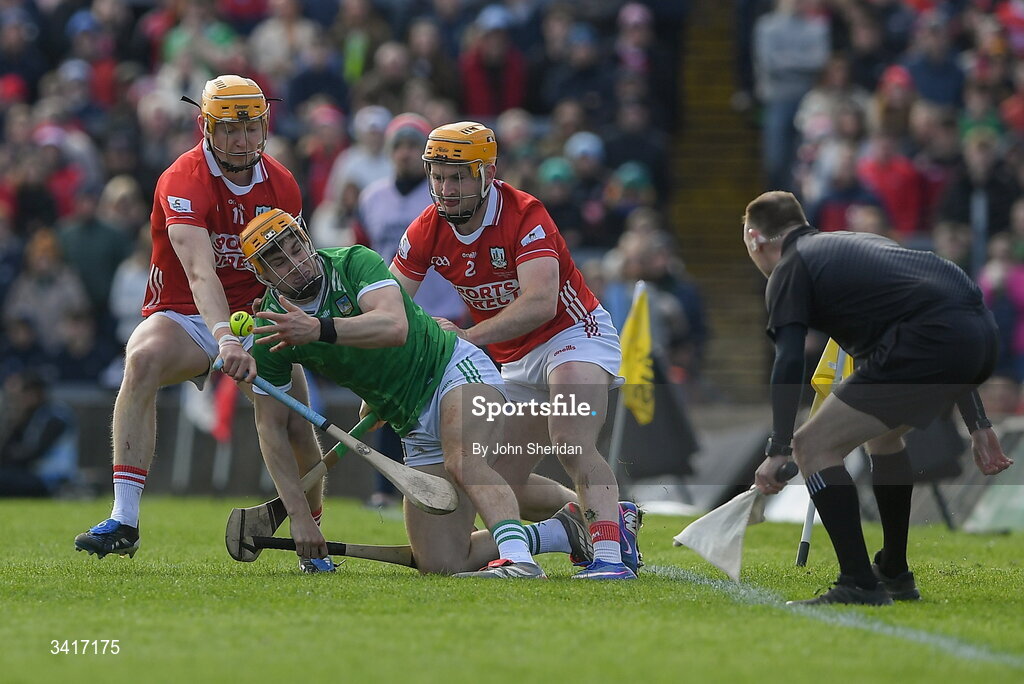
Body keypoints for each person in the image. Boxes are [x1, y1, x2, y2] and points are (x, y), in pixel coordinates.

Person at [239, 208, 586, 578]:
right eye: (278, 260)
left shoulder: (355, 262)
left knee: (465, 462)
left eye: (296, 248)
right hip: (410, 418)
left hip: (451, 370)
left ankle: (519, 561)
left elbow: (393, 326)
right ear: (262, 275)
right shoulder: (270, 333)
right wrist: (299, 517)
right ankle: (573, 526)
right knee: (442, 562)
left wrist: (317, 329)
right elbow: (271, 429)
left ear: (307, 240)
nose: (296, 264)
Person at [74, 75, 322, 566]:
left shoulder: (283, 184)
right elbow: (198, 270)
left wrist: (289, 327)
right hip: (186, 313)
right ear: (205, 126)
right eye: (228, 128)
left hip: (255, 314)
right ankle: (125, 519)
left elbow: (291, 272)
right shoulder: (182, 178)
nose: (241, 139)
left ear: (265, 126)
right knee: (142, 359)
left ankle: (313, 536)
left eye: (251, 127)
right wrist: (224, 339)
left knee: (295, 420)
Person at [391, 121, 640, 580]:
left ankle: (608, 560)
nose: (447, 188)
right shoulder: (426, 229)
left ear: (486, 173)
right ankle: (601, 520)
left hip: (572, 335)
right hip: (510, 357)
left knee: (570, 439)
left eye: (460, 176)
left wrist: (464, 338)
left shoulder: (524, 213)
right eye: (440, 176)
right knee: (498, 481)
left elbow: (541, 305)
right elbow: (389, 303)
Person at [744, 191, 1014, 606]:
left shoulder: (791, 267)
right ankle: (893, 570)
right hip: (980, 336)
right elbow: (947, 309)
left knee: (811, 444)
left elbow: (789, 358)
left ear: (754, 237)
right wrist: (978, 423)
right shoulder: (848, 247)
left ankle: (858, 581)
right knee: (883, 437)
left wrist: (779, 448)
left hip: (930, 340)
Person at [0, 370, 78, 497]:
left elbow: (34, 454)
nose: (17, 400)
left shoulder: (56, 417)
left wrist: (11, 455)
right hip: (33, 474)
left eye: (20, 395)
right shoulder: (33, 415)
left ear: (33, 394)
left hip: (51, 478)